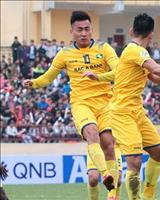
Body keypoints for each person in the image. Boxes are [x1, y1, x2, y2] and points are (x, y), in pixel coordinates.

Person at [23, 11, 120, 199]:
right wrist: (33, 83)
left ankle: (112, 194)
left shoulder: (104, 48)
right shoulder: (65, 54)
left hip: (106, 103)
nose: (84, 33)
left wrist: (98, 76)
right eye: (79, 30)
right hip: (81, 104)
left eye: (87, 29)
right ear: (71, 31)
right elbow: (48, 77)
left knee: (108, 144)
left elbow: (118, 71)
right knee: (92, 133)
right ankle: (106, 174)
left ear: (92, 29)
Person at [110, 13, 160, 200]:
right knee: (135, 161)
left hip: (137, 111)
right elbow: (155, 69)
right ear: (151, 35)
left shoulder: (137, 53)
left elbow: (154, 77)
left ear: (132, 30)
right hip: (122, 113)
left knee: (158, 152)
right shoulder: (135, 50)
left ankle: (148, 194)